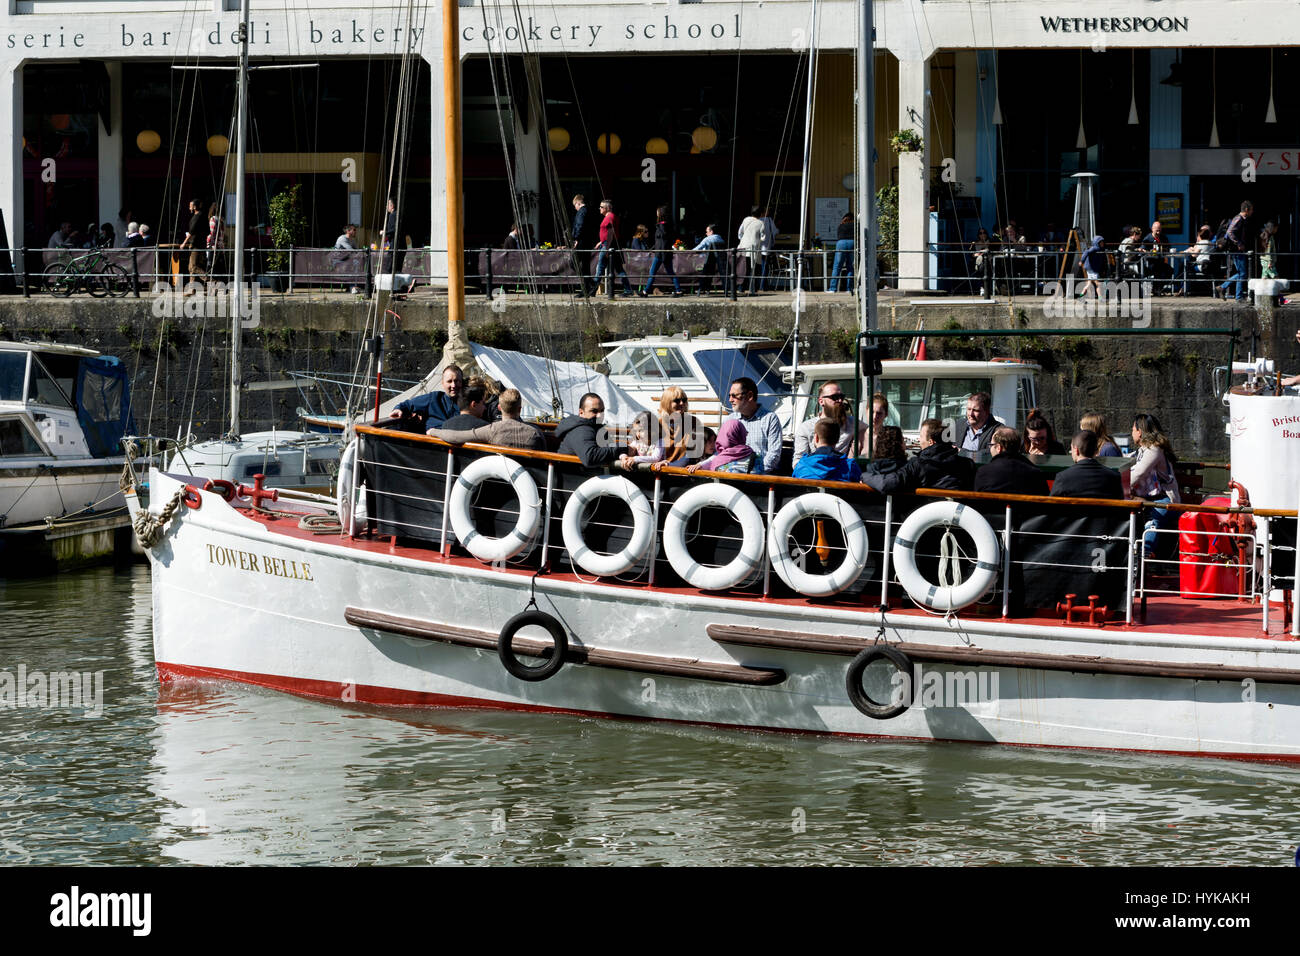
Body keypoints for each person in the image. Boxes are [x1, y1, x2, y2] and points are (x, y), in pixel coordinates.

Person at [864, 418, 975, 493]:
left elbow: (887, 484)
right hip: (959, 521)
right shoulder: (968, 464)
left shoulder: (918, 465)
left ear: (931, 442)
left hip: (928, 520)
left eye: (921, 436)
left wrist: (865, 476)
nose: (919, 440)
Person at [1129, 413, 1181, 558]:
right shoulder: (1142, 451)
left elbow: (1138, 473)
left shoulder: (1154, 450)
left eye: (1133, 429)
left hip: (1165, 499)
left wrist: (1116, 485)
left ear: (1139, 432)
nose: (1131, 432)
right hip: (1148, 499)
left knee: (1153, 517)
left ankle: (1144, 554)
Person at [427, 388, 544, 450]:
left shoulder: (491, 430)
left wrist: (433, 431)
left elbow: (455, 437)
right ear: (520, 409)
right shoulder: (535, 432)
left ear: (499, 407)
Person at [793, 380, 868, 465]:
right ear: (821, 401)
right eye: (835, 397)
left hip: (842, 474)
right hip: (814, 473)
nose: (840, 400)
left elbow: (872, 431)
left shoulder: (852, 423)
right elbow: (798, 461)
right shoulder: (806, 428)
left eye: (841, 397)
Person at [726, 376, 783, 474]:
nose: (730, 400)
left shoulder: (770, 419)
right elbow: (722, 450)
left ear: (750, 396)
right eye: (729, 395)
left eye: (734, 395)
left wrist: (752, 472)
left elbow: (774, 455)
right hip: (733, 476)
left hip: (760, 479)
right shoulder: (730, 419)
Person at [556, 392, 628, 468]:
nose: (600, 415)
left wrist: (623, 455)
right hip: (575, 476)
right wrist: (622, 448)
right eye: (594, 411)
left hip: (593, 473)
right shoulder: (581, 430)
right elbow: (590, 457)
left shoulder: (597, 428)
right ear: (581, 412)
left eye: (602, 411)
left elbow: (610, 447)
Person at [973, 427, 1048, 496]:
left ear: (999, 448)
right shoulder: (1036, 473)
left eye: (991, 445)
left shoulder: (984, 472)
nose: (990, 448)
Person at [1051, 430, 1124, 499]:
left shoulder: (1063, 478)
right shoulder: (1114, 477)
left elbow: (1052, 506)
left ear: (1076, 450)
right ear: (1096, 451)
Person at [390, 364, 464, 431]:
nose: (453, 385)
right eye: (449, 381)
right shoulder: (434, 398)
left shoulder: (469, 403)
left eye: (457, 381)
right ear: (443, 383)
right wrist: (398, 409)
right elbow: (407, 405)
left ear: (462, 382)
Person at [792, 421, 862, 482]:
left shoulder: (802, 465)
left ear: (816, 438)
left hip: (809, 497)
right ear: (837, 439)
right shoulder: (850, 466)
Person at [591, 199, 634, 296]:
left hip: (608, 245)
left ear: (607, 208)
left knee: (600, 268)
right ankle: (628, 290)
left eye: (601, 207)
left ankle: (593, 290)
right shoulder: (609, 217)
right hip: (608, 244)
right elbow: (607, 233)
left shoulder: (610, 217)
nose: (600, 208)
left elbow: (611, 233)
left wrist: (606, 248)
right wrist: (600, 242)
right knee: (619, 269)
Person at [685, 419, 755, 474]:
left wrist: (700, 465)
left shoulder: (720, 455)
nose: (713, 444)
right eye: (709, 441)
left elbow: (713, 458)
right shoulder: (689, 457)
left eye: (714, 440)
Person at [641, 206, 682, 297]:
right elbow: (661, 241)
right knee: (670, 272)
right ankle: (678, 290)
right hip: (663, 253)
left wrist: (661, 253)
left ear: (660, 214)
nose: (656, 213)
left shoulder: (662, 226)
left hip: (661, 254)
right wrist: (652, 249)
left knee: (653, 272)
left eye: (657, 212)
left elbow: (663, 240)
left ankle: (645, 291)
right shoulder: (664, 225)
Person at [1218, 200, 1254, 302]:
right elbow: (1230, 232)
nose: (1252, 212)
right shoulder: (1238, 218)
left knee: (1241, 273)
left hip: (1237, 250)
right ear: (1246, 210)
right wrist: (1239, 243)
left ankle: (1223, 288)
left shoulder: (1242, 219)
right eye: (1251, 210)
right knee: (1242, 273)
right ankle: (1238, 297)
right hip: (1236, 250)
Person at [178, 198, 209, 281]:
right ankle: (192, 289)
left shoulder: (197, 217)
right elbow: (207, 231)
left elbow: (191, 231)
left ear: (195, 207)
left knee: (193, 267)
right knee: (191, 267)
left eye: (190, 206)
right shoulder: (203, 216)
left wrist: (184, 243)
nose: (189, 208)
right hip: (201, 244)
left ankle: (215, 283)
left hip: (196, 245)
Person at [570, 194, 597, 287]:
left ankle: (590, 283)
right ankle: (588, 286)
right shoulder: (589, 211)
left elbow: (579, 225)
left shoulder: (581, 212)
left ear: (578, 203)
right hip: (587, 241)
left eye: (575, 206)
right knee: (585, 265)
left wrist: (576, 238)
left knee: (573, 263)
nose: (575, 208)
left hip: (581, 241)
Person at [737, 206, 765, 294]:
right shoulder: (761, 223)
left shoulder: (746, 219)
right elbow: (763, 238)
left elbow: (740, 232)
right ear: (760, 214)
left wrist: (743, 240)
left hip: (744, 247)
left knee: (744, 268)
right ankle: (753, 288)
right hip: (754, 249)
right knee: (755, 269)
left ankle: (741, 288)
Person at [693, 224, 725, 294]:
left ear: (711, 232)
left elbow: (697, 249)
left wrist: (687, 251)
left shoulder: (707, 239)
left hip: (709, 263)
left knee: (702, 270)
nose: (706, 233)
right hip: (720, 264)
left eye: (707, 231)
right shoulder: (721, 239)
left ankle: (702, 288)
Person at [829, 213, 855, 293]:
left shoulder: (841, 226)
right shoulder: (855, 225)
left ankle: (833, 289)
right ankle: (849, 289)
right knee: (850, 267)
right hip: (852, 242)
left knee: (837, 267)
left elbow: (839, 236)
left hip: (841, 243)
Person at [759, 207, 778, 289]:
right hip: (766, 247)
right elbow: (775, 231)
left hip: (757, 247)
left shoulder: (757, 221)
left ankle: (757, 285)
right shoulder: (769, 220)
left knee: (757, 267)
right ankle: (763, 286)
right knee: (764, 266)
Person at [381, 197, 398, 274]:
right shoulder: (396, 214)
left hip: (394, 242)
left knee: (390, 265)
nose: (386, 207)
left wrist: (384, 232)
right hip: (395, 242)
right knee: (395, 264)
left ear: (392, 206)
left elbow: (394, 229)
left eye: (387, 205)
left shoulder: (392, 215)